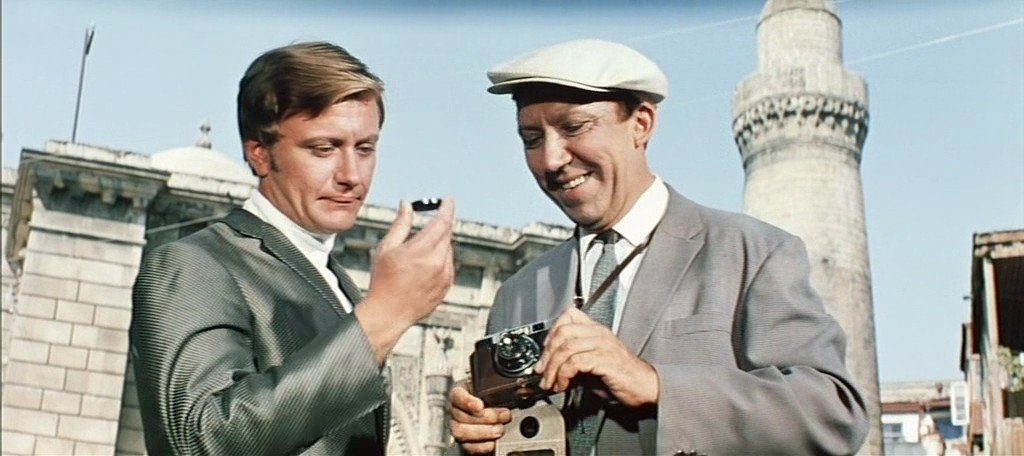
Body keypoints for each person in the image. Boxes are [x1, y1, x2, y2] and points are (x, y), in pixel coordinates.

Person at [448, 39, 868, 456]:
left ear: (642, 123)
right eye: (531, 138)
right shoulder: (519, 292)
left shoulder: (752, 252)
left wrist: (655, 383)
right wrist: (472, 440)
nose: (551, 159)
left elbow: (833, 413)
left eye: (574, 127)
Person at [131, 41, 455, 455]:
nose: (351, 176)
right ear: (260, 154)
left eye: (365, 149)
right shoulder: (194, 264)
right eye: (324, 149)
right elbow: (200, 440)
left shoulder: (334, 282)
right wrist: (385, 314)